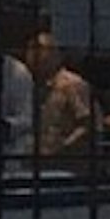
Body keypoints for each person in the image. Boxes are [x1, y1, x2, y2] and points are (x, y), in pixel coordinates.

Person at [28, 30, 97, 158]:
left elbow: (89, 125)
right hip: (36, 161)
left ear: (56, 55)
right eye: (31, 49)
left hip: (67, 164)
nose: (34, 54)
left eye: (41, 49)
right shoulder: (30, 86)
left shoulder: (72, 85)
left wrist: (63, 148)